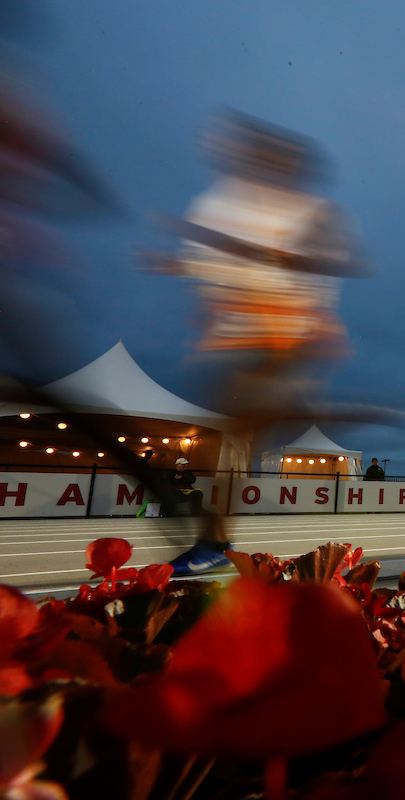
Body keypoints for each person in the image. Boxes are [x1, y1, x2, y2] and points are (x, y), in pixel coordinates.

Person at [151, 110, 362, 576]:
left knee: (236, 434)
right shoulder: (223, 203)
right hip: (237, 339)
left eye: (274, 159)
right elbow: (218, 270)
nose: (259, 165)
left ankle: (212, 541)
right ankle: (214, 535)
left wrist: (299, 300)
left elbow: (330, 263)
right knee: (217, 440)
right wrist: (182, 268)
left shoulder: (313, 212)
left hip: (284, 339)